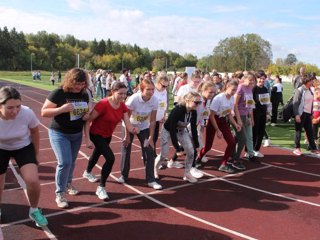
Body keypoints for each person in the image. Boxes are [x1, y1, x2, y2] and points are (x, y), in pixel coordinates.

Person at [41, 68, 90, 208]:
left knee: (72, 161)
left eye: (82, 84)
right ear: (70, 80)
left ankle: (68, 183)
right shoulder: (59, 93)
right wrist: (61, 109)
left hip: (76, 133)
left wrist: (86, 116)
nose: (79, 87)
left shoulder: (84, 95)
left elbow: (85, 114)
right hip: (59, 133)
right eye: (77, 84)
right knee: (64, 162)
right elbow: (44, 112)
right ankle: (60, 193)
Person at [0, 86, 48, 227]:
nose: (15, 111)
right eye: (10, 108)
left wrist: (36, 153)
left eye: (18, 106)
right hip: (0, 148)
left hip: (23, 146)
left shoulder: (27, 113)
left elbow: (34, 131)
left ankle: (34, 210)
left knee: (32, 180)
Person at [84, 82, 139, 200]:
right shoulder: (103, 104)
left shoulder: (123, 106)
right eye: (120, 93)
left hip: (107, 135)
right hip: (96, 134)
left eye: (125, 94)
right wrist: (88, 139)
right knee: (110, 158)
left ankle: (87, 171)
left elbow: (127, 124)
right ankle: (101, 187)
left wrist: (133, 129)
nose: (123, 96)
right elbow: (88, 121)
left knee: (97, 153)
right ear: (113, 92)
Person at [117, 79, 162, 190]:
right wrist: (127, 135)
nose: (151, 92)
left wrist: (151, 136)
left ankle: (151, 180)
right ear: (141, 90)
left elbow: (152, 120)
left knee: (149, 151)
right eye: (148, 89)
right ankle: (124, 175)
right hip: (130, 125)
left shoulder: (155, 100)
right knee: (126, 148)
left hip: (144, 127)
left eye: (153, 89)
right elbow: (126, 117)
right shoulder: (133, 99)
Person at [154, 92, 201, 182]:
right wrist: (178, 148)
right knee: (164, 154)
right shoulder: (178, 110)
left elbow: (194, 128)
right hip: (168, 130)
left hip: (181, 130)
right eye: (196, 102)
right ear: (187, 101)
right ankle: (154, 169)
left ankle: (187, 174)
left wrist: (196, 143)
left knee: (191, 151)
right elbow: (172, 129)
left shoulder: (193, 112)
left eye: (199, 102)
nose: (198, 104)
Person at [196, 80, 241, 173]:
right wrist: (217, 130)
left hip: (223, 121)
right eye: (232, 89)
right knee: (208, 146)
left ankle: (223, 164)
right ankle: (198, 158)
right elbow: (211, 115)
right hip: (213, 121)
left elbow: (228, 113)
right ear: (227, 87)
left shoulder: (232, 98)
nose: (234, 92)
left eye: (235, 90)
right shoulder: (218, 98)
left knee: (232, 142)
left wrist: (235, 124)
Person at [232, 72, 260, 169]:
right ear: (245, 79)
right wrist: (238, 118)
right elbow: (235, 104)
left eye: (253, 80)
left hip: (246, 115)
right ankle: (235, 157)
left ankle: (250, 155)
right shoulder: (240, 87)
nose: (252, 82)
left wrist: (251, 118)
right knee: (241, 138)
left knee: (249, 136)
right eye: (250, 80)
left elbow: (250, 104)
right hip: (239, 115)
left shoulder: (250, 88)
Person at [292, 74, 320, 155]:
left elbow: (312, 101)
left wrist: (311, 113)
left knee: (310, 131)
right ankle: (297, 148)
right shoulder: (299, 90)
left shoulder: (311, 90)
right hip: (301, 113)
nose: (312, 82)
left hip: (308, 114)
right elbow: (295, 103)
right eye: (310, 81)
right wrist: (297, 114)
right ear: (306, 81)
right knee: (298, 131)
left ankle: (313, 148)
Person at [252, 71, 270, 157]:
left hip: (263, 112)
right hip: (255, 113)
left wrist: (267, 113)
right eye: (260, 78)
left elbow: (267, 102)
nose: (262, 80)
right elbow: (250, 102)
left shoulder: (265, 89)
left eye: (263, 79)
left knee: (261, 131)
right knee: (254, 132)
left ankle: (256, 149)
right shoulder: (253, 89)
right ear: (256, 79)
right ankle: (249, 150)